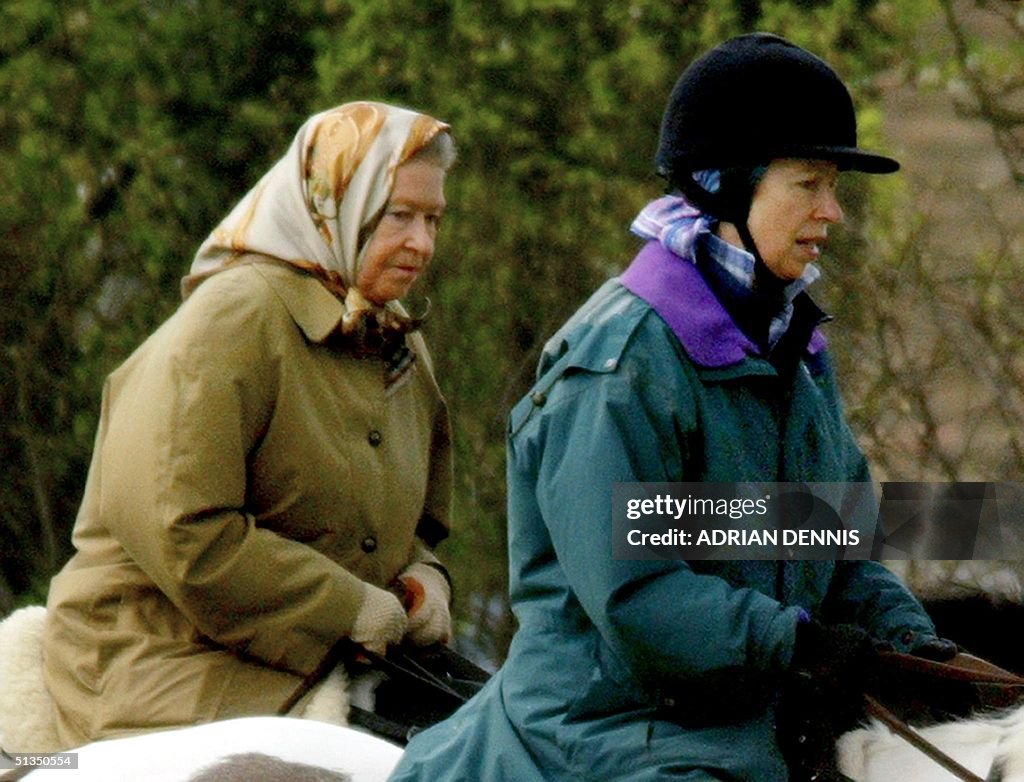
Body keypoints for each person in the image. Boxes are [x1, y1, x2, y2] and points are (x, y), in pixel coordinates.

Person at [390, 33, 956, 782]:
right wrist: (793, 641)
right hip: (613, 734)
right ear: (726, 188)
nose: (833, 212)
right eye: (809, 184)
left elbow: (835, 541)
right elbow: (636, 593)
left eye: (833, 187)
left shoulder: (797, 352)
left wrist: (910, 641)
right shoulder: (619, 366)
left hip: (749, 724)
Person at [42, 101, 457, 747]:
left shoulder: (394, 335)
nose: (422, 243)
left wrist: (425, 579)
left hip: (323, 655)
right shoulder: (236, 318)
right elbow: (185, 531)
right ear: (335, 204)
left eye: (433, 219)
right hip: (163, 655)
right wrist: (346, 607)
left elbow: (408, 526)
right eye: (399, 215)